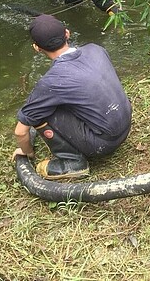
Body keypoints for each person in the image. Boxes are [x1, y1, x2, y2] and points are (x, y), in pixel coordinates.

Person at [12, 14, 132, 180]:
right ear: (67, 33)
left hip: (103, 143)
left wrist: (27, 152)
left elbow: (20, 131)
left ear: (37, 48)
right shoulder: (95, 49)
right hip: (125, 127)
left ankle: (73, 162)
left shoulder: (52, 82)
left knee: (39, 110)